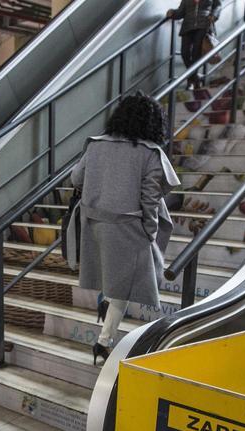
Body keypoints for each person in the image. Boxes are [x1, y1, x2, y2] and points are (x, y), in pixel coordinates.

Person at [72, 93, 179, 365]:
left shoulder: (95, 145)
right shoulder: (150, 153)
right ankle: (103, 341)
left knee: (116, 279)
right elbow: (150, 201)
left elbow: (76, 179)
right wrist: (150, 233)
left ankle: (105, 320)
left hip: (95, 224)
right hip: (129, 228)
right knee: (127, 283)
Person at [168, 0, 221, 88]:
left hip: (204, 25)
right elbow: (181, 12)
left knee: (196, 51)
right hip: (187, 26)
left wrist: (214, 15)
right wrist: (172, 13)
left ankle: (191, 80)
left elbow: (218, 6)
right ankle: (195, 78)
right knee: (184, 53)